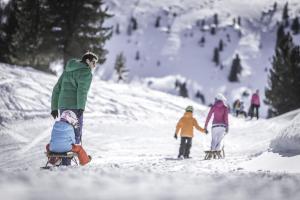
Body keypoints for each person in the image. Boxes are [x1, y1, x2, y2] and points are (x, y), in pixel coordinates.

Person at [51, 52, 98, 165]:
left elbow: (57, 88)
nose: (94, 65)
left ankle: (60, 157)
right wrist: (81, 107)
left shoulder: (68, 69)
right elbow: (82, 91)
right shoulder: (86, 72)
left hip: (63, 106)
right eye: (93, 62)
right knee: (76, 133)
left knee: (64, 130)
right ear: (87, 61)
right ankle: (67, 161)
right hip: (75, 106)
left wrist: (54, 107)